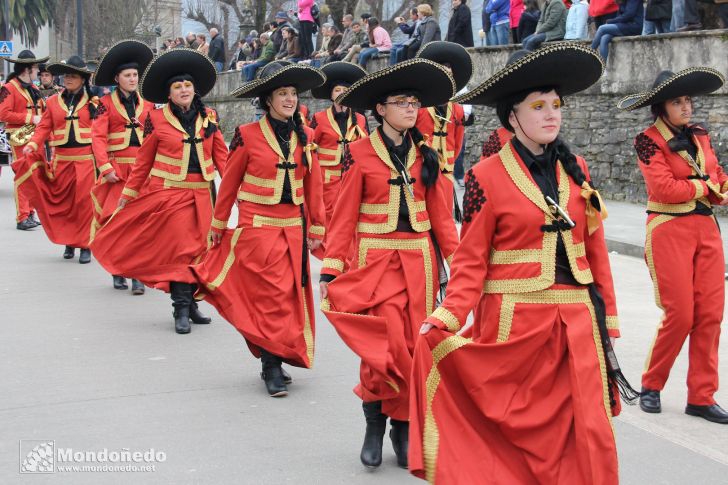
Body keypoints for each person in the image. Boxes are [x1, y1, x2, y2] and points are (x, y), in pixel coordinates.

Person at [412, 43, 637, 483]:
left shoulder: (577, 169)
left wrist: (607, 319)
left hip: (578, 322)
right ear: (512, 117)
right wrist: (448, 315)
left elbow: (594, 250)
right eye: (538, 106)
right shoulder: (485, 175)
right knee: (523, 436)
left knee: (588, 431)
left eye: (556, 105)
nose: (552, 114)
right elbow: (472, 259)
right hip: (516, 323)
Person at [319, 58, 459, 469]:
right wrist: (331, 267)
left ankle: (404, 428)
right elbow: (343, 217)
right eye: (401, 102)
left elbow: (442, 220)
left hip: (420, 263)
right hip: (375, 262)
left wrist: (463, 266)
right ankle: (374, 425)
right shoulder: (358, 153)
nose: (411, 109)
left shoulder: (426, 154)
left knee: (415, 349)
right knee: (383, 347)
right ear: (380, 109)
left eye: (414, 102)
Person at [191, 62, 326, 396]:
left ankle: (277, 353)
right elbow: (230, 181)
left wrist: (318, 227)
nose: (290, 99)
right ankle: (270, 364)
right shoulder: (247, 135)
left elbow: (314, 185)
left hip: (293, 228)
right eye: (282, 93)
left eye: (293, 94)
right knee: (269, 297)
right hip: (258, 228)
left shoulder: (305, 136)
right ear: (268, 100)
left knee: (289, 298)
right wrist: (219, 224)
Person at [618, 67, 728, 424]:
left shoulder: (700, 135)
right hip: (668, 228)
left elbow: (718, 174)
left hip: (706, 229)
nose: (686, 107)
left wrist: (719, 187)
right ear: (661, 107)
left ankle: (701, 396)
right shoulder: (647, 139)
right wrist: (706, 186)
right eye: (677, 102)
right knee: (681, 314)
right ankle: (652, 385)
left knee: (710, 316)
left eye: (688, 100)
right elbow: (665, 190)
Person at [90, 49, 227, 334]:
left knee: (200, 252)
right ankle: (179, 308)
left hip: (203, 193)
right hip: (171, 194)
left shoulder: (209, 116)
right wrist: (128, 195)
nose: (184, 90)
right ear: (170, 93)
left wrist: (235, 189)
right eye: (178, 87)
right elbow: (144, 162)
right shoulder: (157, 118)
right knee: (180, 251)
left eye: (188, 86)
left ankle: (191, 304)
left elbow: (223, 157)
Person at [89, 40, 155, 294]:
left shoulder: (147, 104)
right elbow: (97, 137)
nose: (132, 79)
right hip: (116, 170)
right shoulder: (104, 103)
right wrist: (105, 168)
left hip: (141, 171)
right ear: (117, 78)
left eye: (135, 75)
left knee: (140, 222)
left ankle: (137, 273)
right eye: (127, 75)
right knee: (115, 221)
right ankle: (117, 270)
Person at [19, 56, 96, 262]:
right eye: (67, 76)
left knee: (84, 203)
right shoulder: (53, 102)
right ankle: (69, 242)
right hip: (61, 160)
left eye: (73, 76)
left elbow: (101, 131)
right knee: (66, 204)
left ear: (82, 79)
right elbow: (44, 127)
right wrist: (33, 144)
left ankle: (85, 245)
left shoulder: (94, 103)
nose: (68, 79)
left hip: (86, 160)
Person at [415, 41, 473, 220]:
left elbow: (458, 139)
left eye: (449, 75)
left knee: (444, 216)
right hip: (420, 168)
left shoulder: (456, 109)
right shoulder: (419, 106)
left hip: (446, 170)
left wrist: (448, 162)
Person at [309, 62, 369, 234]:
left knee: (353, 219)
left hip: (353, 178)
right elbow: (310, 148)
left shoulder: (361, 119)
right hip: (327, 180)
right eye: (337, 90)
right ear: (331, 95)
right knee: (331, 219)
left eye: (345, 90)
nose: (341, 93)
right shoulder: (319, 118)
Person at [0, 50, 48, 230]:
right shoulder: (9, 88)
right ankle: (22, 216)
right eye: (35, 68)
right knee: (23, 175)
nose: (38, 72)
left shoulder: (34, 88)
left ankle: (30, 213)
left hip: (35, 137)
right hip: (19, 137)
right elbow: (3, 113)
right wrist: (31, 118)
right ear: (26, 70)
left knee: (34, 176)